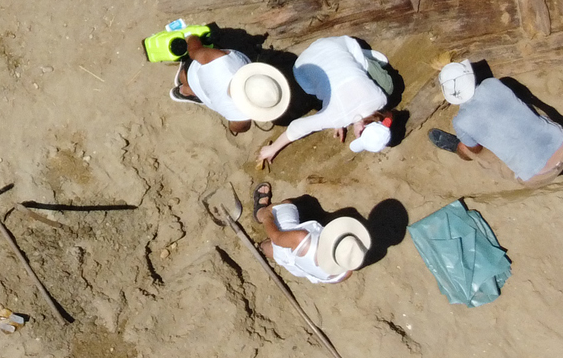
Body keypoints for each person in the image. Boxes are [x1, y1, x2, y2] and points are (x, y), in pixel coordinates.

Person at [256, 35, 396, 168]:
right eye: (358, 135)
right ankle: (364, 58)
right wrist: (272, 148)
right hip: (302, 67)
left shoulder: (380, 99)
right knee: (311, 90)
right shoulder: (337, 117)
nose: (355, 135)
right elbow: (298, 127)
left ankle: (365, 59)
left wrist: (341, 118)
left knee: (387, 86)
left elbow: (351, 101)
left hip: (335, 45)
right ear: (361, 129)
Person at [428, 62, 563, 186]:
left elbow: (477, 149)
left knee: (471, 151)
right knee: (531, 114)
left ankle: (456, 147)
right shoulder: (492, 84)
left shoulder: (460, 122)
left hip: (536, 177)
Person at [250, 183, 369, 285]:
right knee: (281, 255)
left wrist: (267, 218)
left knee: (282, 207)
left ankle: (259, 215)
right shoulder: (346, 272)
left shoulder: (302, 238)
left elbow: (276, 237)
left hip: (290, 244)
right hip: (301, 268)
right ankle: (265, 250)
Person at [170, 38, 290, 136]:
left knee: (184, 76)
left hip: (195, 77)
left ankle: (184, 89)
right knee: (196, 90)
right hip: (209, 98)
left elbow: (194, 51)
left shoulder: (219, 60)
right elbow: (238, 128)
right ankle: (185, 91)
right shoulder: (240, 117)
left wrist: (191, 37)